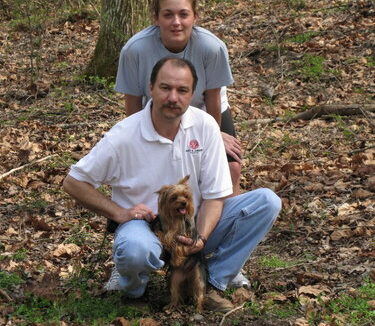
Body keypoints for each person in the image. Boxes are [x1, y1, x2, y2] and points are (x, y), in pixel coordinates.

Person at [63, 58, 281, 312]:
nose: (173, 97)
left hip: (190, 224)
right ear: (151, 88)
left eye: (182, 90)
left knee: (266, 202)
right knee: (135, 249)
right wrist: (118, 212)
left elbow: (214, 196)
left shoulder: (205, 126)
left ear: (192, 94)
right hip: (146, 228)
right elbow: (73, 181)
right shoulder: (123, 136)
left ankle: (211, 283)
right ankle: (134, 293)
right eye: (165, 88)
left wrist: (201, 237)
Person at [115, 0, 242, 196]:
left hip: (206, 110)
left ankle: (228, 218)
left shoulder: (211, 47)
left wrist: (215, 135)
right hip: (161, 111)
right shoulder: (135, 50)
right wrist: (139, 143)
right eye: (168, 15)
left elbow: (212, 98)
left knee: (231, 167)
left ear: (195, 17)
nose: (176, 22)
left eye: (183, 14)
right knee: (165, 168)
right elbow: (133, 104)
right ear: (156, 18)